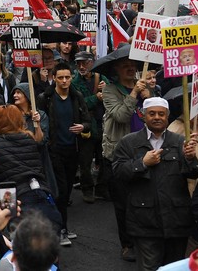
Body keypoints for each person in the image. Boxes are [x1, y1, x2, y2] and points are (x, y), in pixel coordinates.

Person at [113, 97, 198, 270]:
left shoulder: (179, 141)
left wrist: (190, 158)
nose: (157, 117)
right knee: (149, 267)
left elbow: (193, 172)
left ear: (167, 116)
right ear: (144, 116)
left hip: (176, 221)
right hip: (144, 222)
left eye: (161, 114)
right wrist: (142, 163)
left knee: (173, 268)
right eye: (152, 113)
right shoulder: (128, 142)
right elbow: (118, 173)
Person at [102, 54, 153, 262]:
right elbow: (121, 115)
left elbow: (157, 115)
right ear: (116, 70)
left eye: (132, 66)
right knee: (123, 204)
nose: (130, 69)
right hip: (120, 155)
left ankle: (143, 237)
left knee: (145, 199)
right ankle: (127, 244)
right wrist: (134, 93)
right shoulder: (110, 91)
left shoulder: (146, 89)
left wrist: (148, 96)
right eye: (125, 66)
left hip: (145, 151)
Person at [36, 61, 90, 246]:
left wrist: (83, 126)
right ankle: (61, 229)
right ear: (54, 78)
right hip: (54, 150)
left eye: (68, 77)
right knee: (59, 190)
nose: (65, 81)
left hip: (72, 150)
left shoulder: (77, 96)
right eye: (61, 78)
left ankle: (61, 225)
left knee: (66, 192)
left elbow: (88, 121)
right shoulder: (46, 98)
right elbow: (40, 122)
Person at [70, 50, 106, 202]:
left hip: (102, 124)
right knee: (85, 160)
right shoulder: (74, 82)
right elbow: (79, 104)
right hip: (86, 126)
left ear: (92, 62)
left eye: (84, 63)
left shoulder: (101, 78)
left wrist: (107, 88)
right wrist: (96, 98)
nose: (81, 66)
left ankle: (101, 188)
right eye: (78, 63)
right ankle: (87, 189)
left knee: (103, 158)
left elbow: (111, 97)